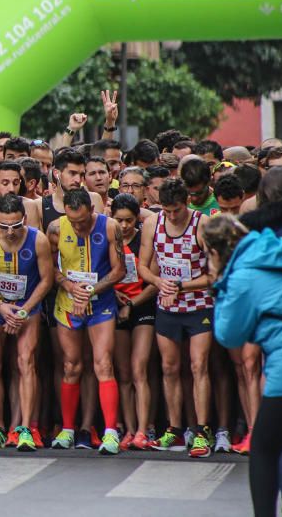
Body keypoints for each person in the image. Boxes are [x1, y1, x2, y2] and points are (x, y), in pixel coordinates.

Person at [206, 215, 282, 517]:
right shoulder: (280, 250)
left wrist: (218, 285)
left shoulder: (242, 277)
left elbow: (229, 335)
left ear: (216, 251)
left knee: (264, 446)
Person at [138, 178, 214, 457]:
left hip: (199, 304)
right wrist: (160, 283)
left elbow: (213, 274)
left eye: (176, 210)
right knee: (169, 367)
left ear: (187, 203)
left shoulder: (201, 223)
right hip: (167, 305)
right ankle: (174, 428)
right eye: (167, 211)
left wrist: (181, 286)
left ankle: (202, 430)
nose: (172, 216)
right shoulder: (152, 224)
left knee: (198, 365)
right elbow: (143, 268)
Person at [47, 189, 126, 455]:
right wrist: (70, 287)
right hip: (68, 301)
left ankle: (111, 432)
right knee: (71, 365)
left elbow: (120, 270)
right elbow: (49, 267)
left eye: (82, 221)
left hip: (100, 301)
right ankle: (68, 429)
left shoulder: (111, 226)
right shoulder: (56, 227)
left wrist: (90, 291)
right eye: (73, 221)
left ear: (92, 211)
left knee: (103, 363)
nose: (78, 226)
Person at [0, 193, 53, 451]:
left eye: (16, 226)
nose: (9, 232)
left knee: (25, 362)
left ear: (25, 219)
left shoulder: (37, 240)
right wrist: (0, 306)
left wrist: (22, 312)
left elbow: (47, 280)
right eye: (4, 226)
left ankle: (26, 428)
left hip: (27, 306)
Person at [110, 193, 158, 451]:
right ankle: (128, 429)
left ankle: (143, 429)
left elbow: (155, 281)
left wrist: (131, 304)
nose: (125, 225)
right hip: (116, 307)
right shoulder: (108, 239)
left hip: (142, 307)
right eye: (119, 220)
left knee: (140, 368)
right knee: (124, 372)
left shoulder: (144, 240)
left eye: (130, 220)